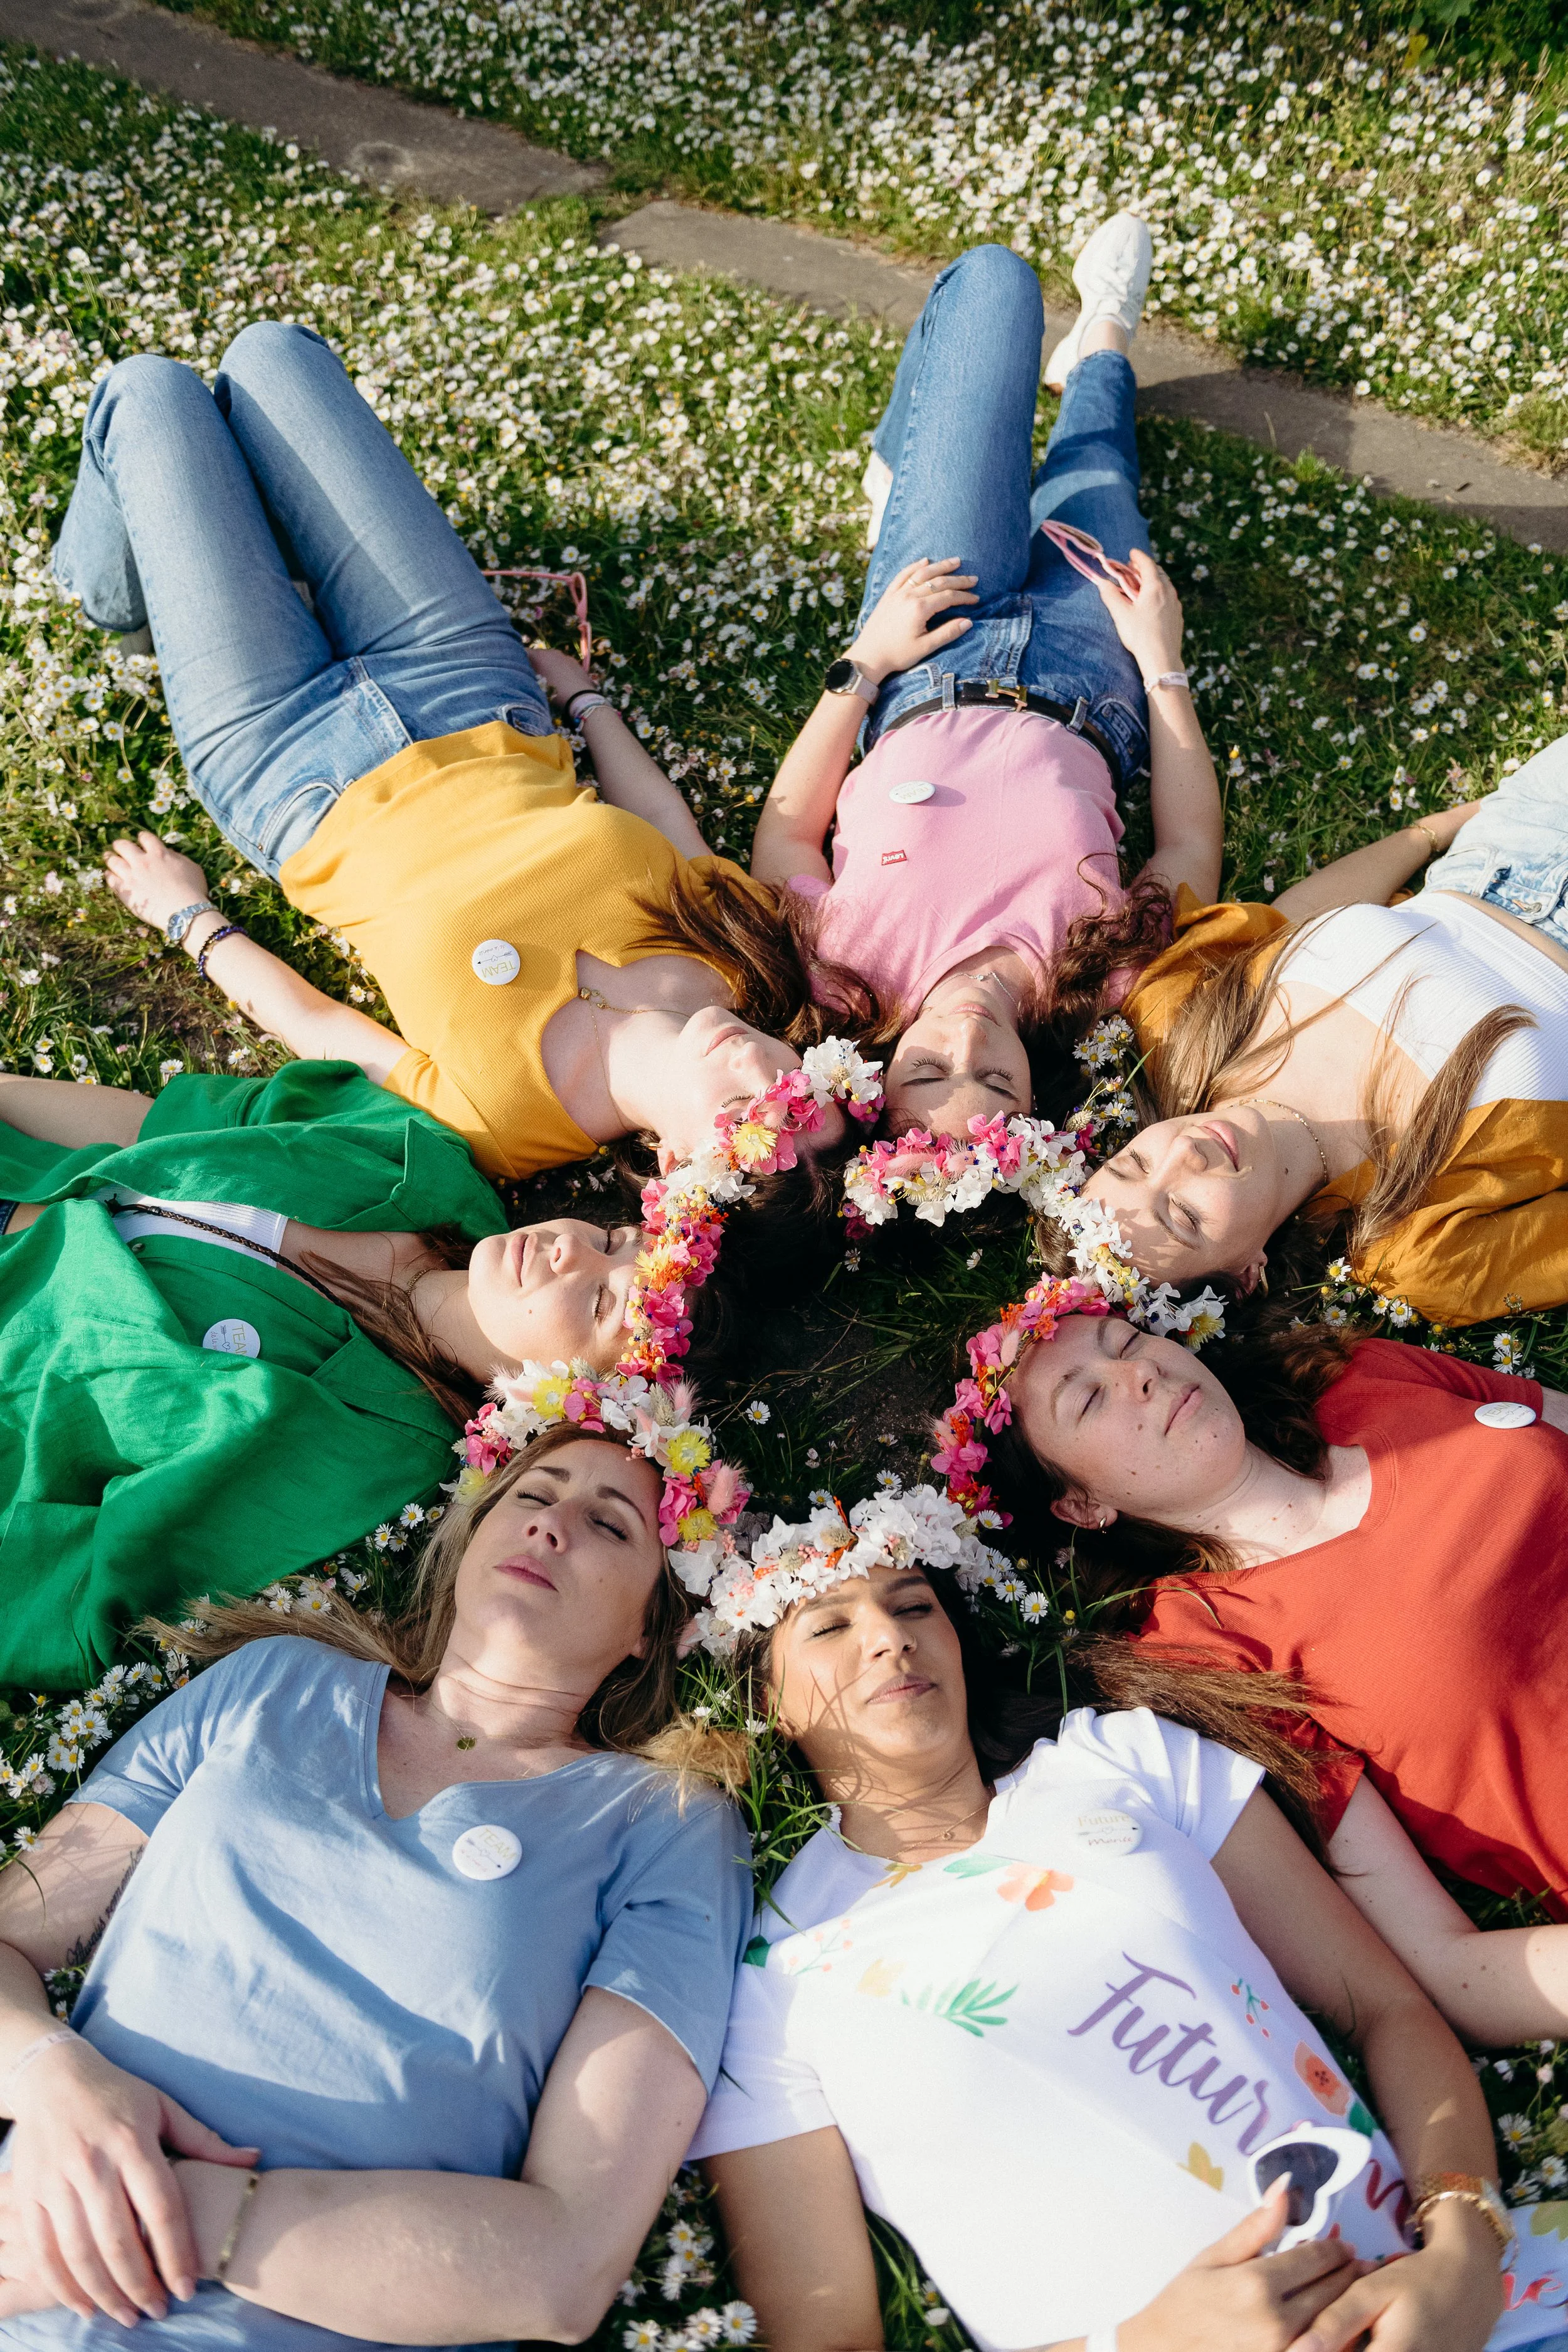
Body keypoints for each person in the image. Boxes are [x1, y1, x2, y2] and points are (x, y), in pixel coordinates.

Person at [58, 318, 871, 1248]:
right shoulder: (742, 953)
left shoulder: (503, 1125)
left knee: (149, 392)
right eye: (803, 1093)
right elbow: (659, 815)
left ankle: (112, 594)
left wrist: (188, 917)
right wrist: (589, 701)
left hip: (284, 762)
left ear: (680, 1170)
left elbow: (320, 1026)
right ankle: (245, 550)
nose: (767, 1080)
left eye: (759, 1123)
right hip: (468, 684)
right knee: (273, 357)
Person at [685, 1488, 1553, 2352]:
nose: (890, 1634)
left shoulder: (1126, 1762)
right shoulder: (776, 1974)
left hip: (1460, 2313)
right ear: (771, 1703)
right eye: (829, 1626)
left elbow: (1386, 2006)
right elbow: (824, 2339)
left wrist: (1467, 2237)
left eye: (913, 1603)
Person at [0, 1425, 752, 2348]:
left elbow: (567, 2261)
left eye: (610, 1523)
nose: (553, 1524)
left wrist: (166, 2211)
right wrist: (56, 2081)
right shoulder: (268, 1683)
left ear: (649, 1627)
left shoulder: (663, 1824)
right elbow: (8, 1941)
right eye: (532, 1493)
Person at [0, 1057, 738, 1689]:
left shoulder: (366, 1447)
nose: (572, 1251)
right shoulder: (424, 1171)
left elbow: (82, 1579)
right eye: (612, 1237)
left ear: (586, 1396)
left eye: (603, 1301)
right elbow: (169, 1123)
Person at [968, 1293, 1568, 2048]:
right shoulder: (1205, 1649)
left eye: (1125, 1341)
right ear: (1084, 1507)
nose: (1139, 1375)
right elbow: (1445, 1966)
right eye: (1089, 1398)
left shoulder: (1361, 1380)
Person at [748, 220, 1224, 1142]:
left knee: (997, 285)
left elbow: (785, 831)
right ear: (1033, 1094)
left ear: (884, 1069)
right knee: (1092, 465)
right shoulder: (1100, 985)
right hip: (1097, 670)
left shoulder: (849, 967)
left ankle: (904, 465)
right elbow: (1190, 845)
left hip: (929, 640)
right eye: (995, 1079)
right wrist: (1162, 657)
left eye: (928, 1069)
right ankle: (1106, 339)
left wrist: (867, 662)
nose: (967, 1039)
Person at [1061, 732, 1568, 1328]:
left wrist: (1445, 826)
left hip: (1515, 839)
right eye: (1185, 1216)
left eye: (1134, 1165)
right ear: (1247, 1275)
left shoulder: (1180, 1030)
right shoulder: (1416, 1248)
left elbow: (1291, 920)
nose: (1181, 1152)